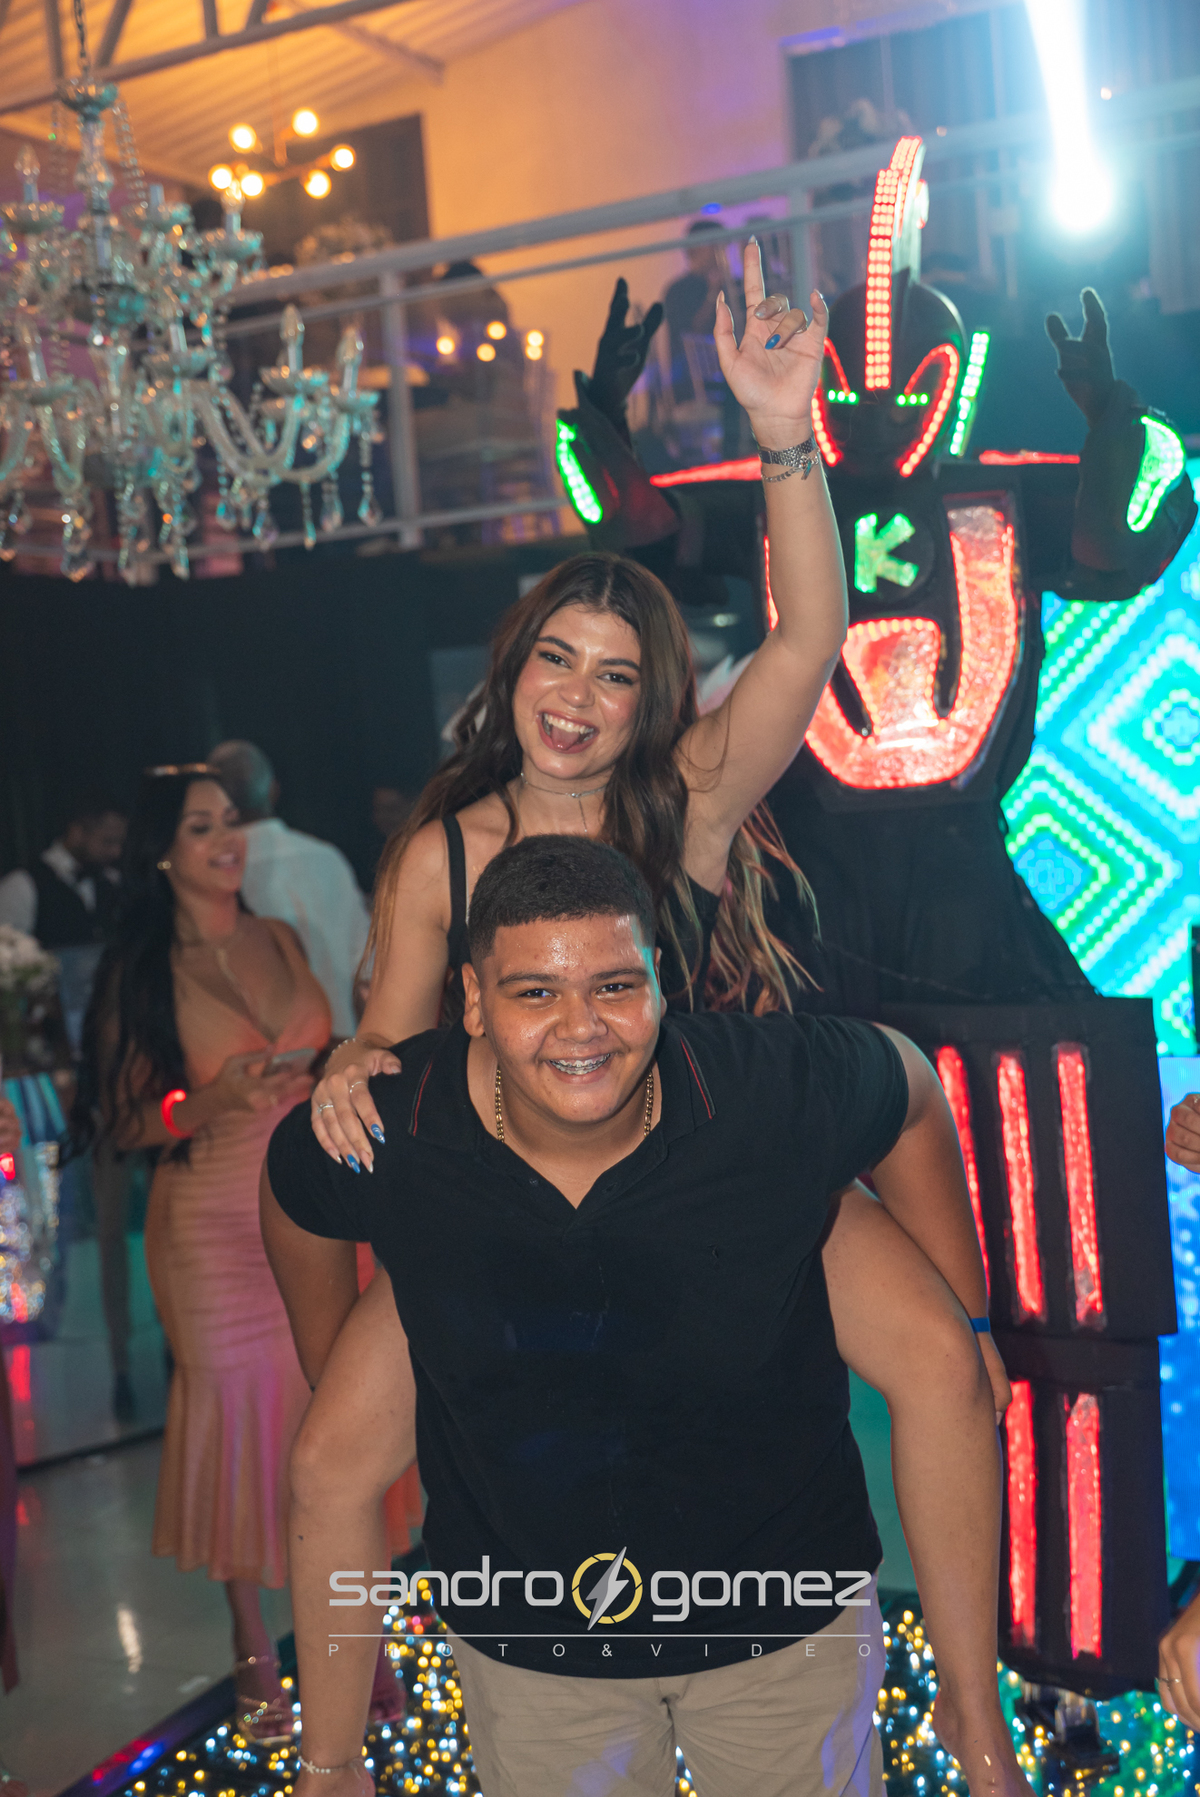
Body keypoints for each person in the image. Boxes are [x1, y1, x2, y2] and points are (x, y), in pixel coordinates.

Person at [263, 835, 1029, 1797]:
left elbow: (910, 1085)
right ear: (472, 1001)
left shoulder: (765, 1091)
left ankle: (974, 1707)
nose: (580, 1027)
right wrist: (333, 1357)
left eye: (615, 986)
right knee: (328, 1460)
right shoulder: (402, 1125)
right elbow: (294, 1191)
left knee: (945, 1363)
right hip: (536, 1633)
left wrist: (971, 1314)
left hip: (779, 1611)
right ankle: (331, 1766)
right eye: (535, 992)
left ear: (661, 981)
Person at [79, 764, 330, 1744]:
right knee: (239, 1426)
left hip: (316, 1212)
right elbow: (122, 1121)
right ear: (160, 852)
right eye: (200, 826)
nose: (228, 839)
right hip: (213, 1230)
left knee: (329, 1422)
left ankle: (349, 1639)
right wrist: (206, 1100)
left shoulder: (281, 936)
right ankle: (251, 1642)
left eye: (231, 820)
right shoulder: (140, 971)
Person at [207, 742, 369, 1039]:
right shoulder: (327, 859)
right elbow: (367, 968)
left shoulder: (216, 874)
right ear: (273, 790)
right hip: (344, 1046)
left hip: (272, 1056)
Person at [0, 792, 127, 1053]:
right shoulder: (23, 885)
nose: (116, 852)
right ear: (77, 832)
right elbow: (8, 968)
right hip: (47, 1037)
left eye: (119, 843)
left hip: (109, 1028)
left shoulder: (114, 883)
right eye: (107, 842)